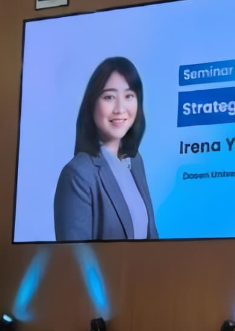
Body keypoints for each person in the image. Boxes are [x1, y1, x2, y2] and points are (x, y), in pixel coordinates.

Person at [54, 57, 159, 241]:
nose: (120, 109)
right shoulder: (77, 175)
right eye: (109, 97)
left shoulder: (135, 161)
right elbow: (74, 255)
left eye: (129, 96)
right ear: (92, 104)